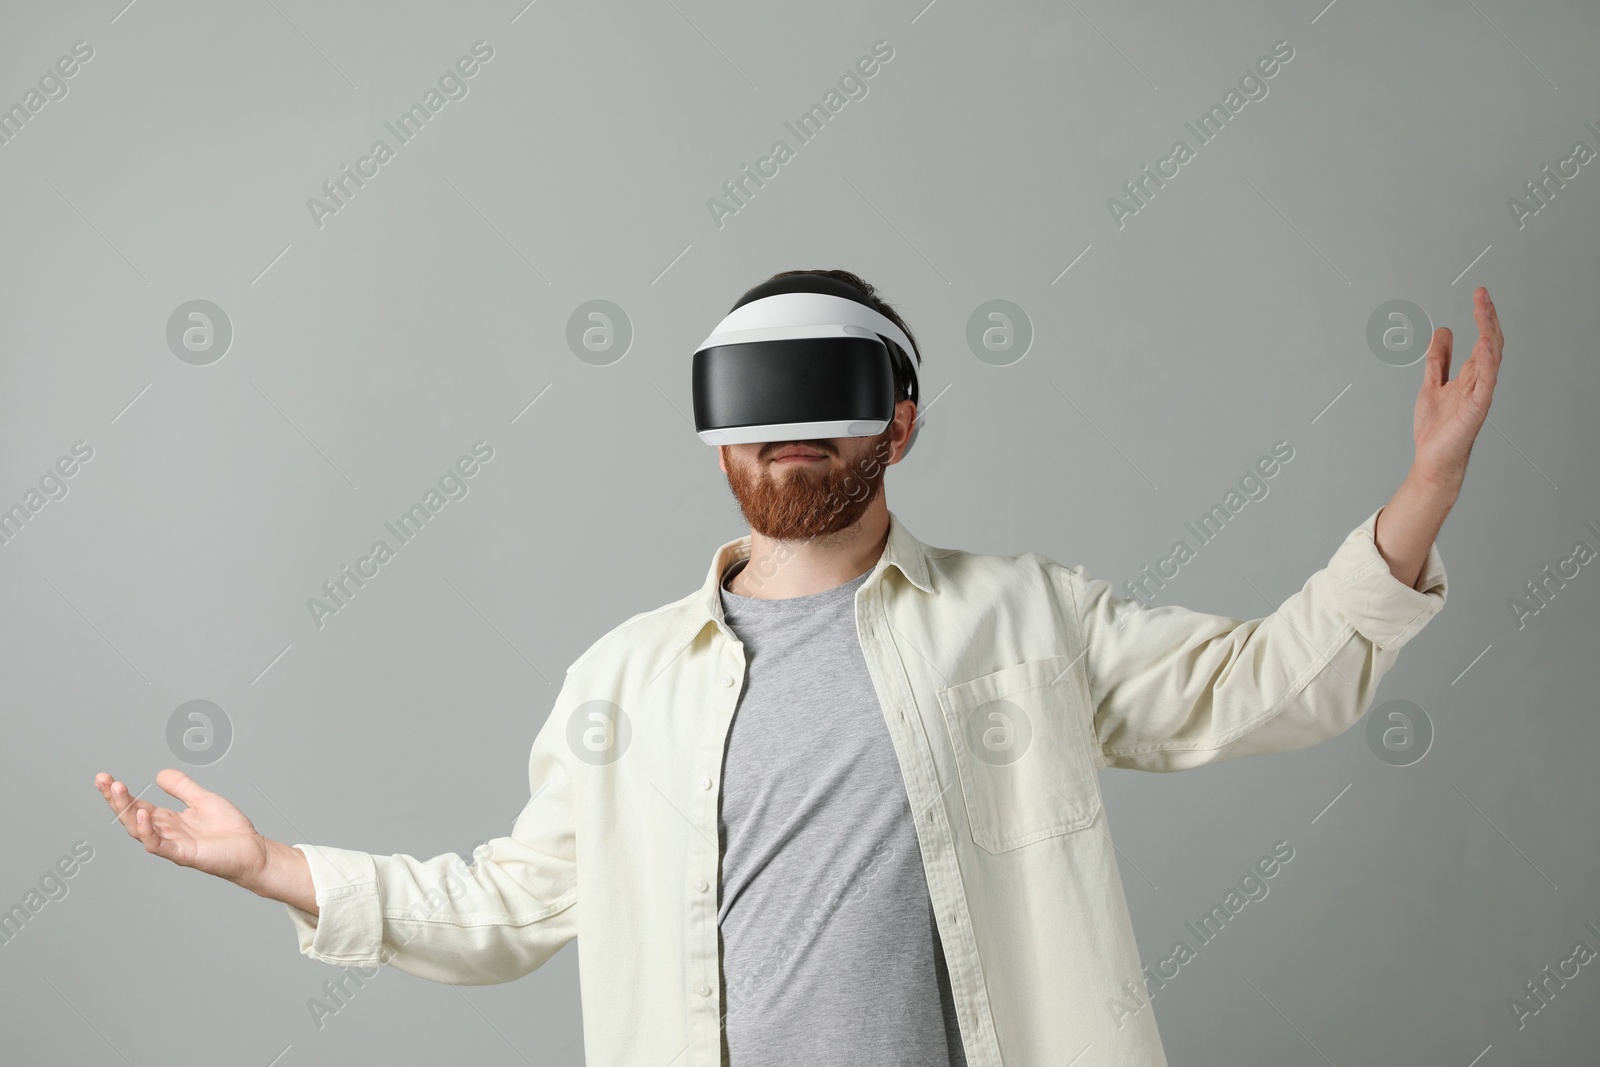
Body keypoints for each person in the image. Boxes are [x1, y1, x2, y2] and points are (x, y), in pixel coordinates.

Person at [95, 270, 1503, 1066]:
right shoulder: (624, 680)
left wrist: (1425, 489)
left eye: (823, 405)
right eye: (755, 414)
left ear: (897, 421)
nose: (786, 442)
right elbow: (514, 906)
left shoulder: (1025, 621)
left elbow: (1267, 683)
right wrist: (274, 866)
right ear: (717, 438)